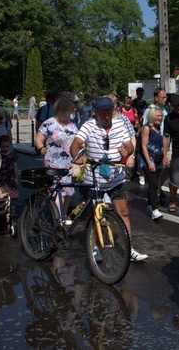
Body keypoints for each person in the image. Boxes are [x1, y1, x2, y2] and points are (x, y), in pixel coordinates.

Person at [70, 97, 148, 263]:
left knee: (124, 212)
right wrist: (77, 156)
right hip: (94, 179)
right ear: (95, 112)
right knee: (95, 217)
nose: (106, 115)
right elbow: (76, 144)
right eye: (102, 112)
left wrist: (126, 150)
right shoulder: (89, 125)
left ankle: (129, 249)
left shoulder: (119, 124)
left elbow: (129, 145)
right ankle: (95, 248)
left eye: (109, 112)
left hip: (116, 177)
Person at [35, 97, 78, 218]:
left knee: (68, 192)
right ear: (59, 111)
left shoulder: (72, 124)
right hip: (54, 163)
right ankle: (59, 220)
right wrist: (41, 148)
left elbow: (78, 139)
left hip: (70, 163)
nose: (69, 114)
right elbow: (38, 139)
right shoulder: (49, 124)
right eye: (67, 111)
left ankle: (62, 216)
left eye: (70, 111)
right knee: (58, 192)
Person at [140, 108, 166, 220]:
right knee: (153, 183)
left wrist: (164, 157)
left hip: (158, 159)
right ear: (151, 116)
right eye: (157, 115)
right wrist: (149, 163)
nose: (159, 118)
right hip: (147, 159)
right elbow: (144, 147)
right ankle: (155, 210)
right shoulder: (147, 128)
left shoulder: (159, 129)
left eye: (161, 116)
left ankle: (150, 206)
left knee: (154, 184)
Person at [0, 135, 19, 199]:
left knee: (11, 193)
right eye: (3, 147)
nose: (5, 148)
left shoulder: (12, 155)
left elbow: (15, 167)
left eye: (7, 146)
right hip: (2, 177)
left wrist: (16, 178)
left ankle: (10, 204)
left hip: (10, 177)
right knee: (3, 191)